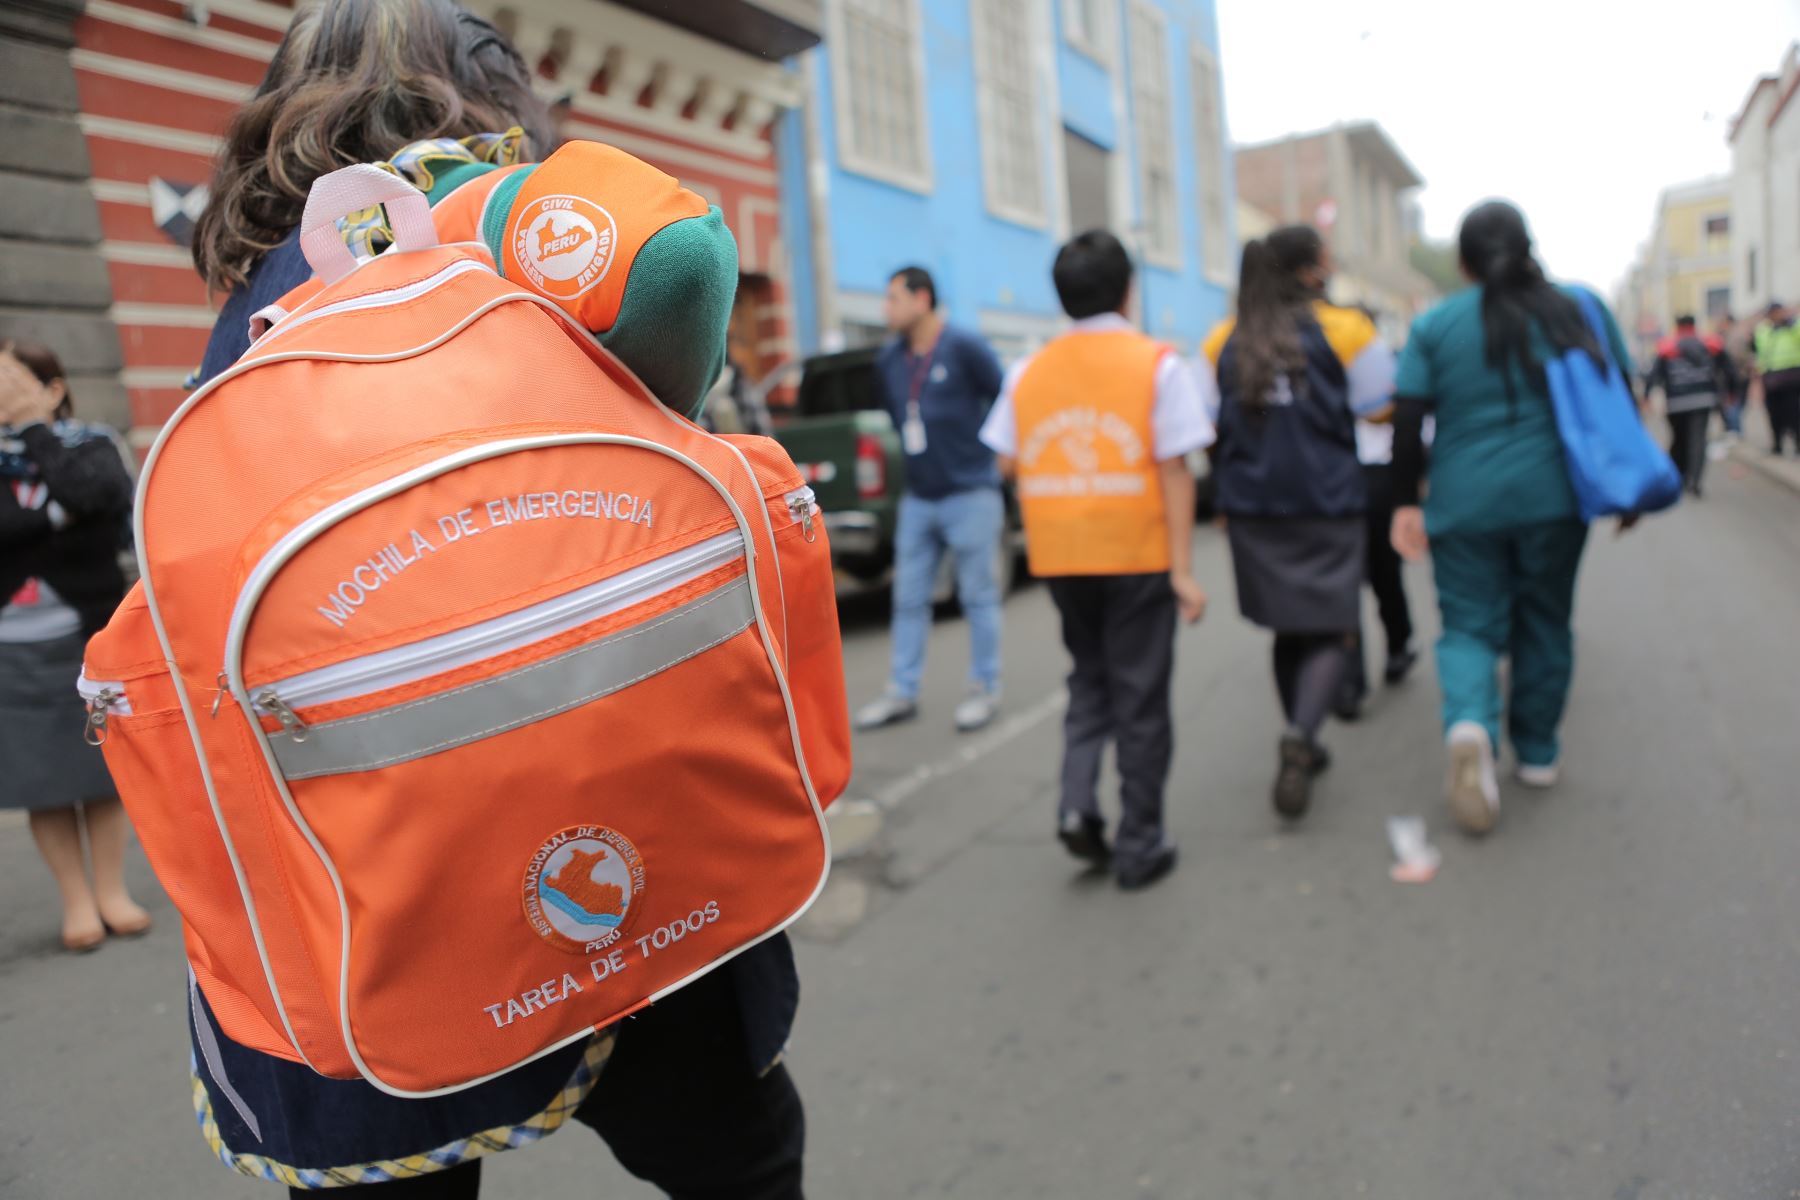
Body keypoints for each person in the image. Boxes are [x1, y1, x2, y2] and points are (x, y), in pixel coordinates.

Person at [184, 3, 806, 1195]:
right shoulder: (518, 241)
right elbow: (681, 303)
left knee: (394, 1144)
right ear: (492, 91)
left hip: (364, 859)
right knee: (739, 1156)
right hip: (614, 801)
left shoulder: (251, 309)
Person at [1389, 200, 1637, 836]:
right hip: (1555, 500)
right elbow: (1620, 397)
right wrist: (1627, 488)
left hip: (1463, 501)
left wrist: (1404, 504)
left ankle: (1470, 723)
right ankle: (1537, 755)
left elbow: (1409, 419)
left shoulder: (1436, 325)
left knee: (1469, 625)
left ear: (1464, 262)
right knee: (1545, 619)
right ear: (1528, 248)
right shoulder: (1575, 307)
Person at [978, 231, 1210, 888]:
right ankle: (1141, 842)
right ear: (1128, 290)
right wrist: (1184, 571)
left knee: (1090, 682)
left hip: (1061, 556)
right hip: (1136, 552)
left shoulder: (1029, 370)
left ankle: (1077, 803)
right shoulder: (1157, 364)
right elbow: (1177, 468)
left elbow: (1003, 456)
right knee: (1139, 697)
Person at [1200, 226, 1395, 820]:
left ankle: (1302, 733)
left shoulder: (1220, 341)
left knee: (1287, 629)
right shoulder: (1347, 331)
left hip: (1254, 508)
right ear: (1309, 271)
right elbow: (1380, 405)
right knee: (1335, 626)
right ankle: (1301, 736)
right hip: (1327, 501)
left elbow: (1205, 427)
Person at [0, 340, 149, 953]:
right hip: (13, 647)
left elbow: (100, 499)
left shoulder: (90, 441)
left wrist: (34, 429)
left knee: (100, 770)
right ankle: (75, 901)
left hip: (89, 635)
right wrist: (57, 520)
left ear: (53, 387)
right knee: (44, 781)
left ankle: (112, 891)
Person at [853, 267, 1007, 734]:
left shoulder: (965, 347)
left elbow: (1005, 398)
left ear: (922, 300)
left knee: (978, 596)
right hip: (919, 499)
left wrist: (999, 461)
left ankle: (984, 688)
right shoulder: (889, 360)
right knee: (908, 598)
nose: (886, 309)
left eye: (894, 298)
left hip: (971, 493)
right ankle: (902, 691)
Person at [1335, 404, 1418, 719]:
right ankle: (1397, 648)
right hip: (1371, 476)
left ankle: (1351, 683)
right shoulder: (1371, 362)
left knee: (1357, 582)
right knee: (1386, 577)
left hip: (1348, 478)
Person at [1645, 314, 1737, 497]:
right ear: (1694, 325)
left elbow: (1654, 375)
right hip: (1703, 400)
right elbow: (1729, 369)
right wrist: (1732, 393)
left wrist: (1647, 396)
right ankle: (1694, 480)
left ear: (1677, 326)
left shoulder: (1666, 347)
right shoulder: (1710, 344)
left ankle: (1679, 477)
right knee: (1698, 440)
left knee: (1679, 439)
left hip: (1676, 402)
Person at [1752, 300, 1800, 457]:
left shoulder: (1794, 326)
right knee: (1773, 414)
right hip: (1771, 377)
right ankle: (1777, 445)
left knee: (1794, 413)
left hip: (1792, 376)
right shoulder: (1763, 330)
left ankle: (1797, 446)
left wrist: (1790, 325)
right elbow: (1759, 352)